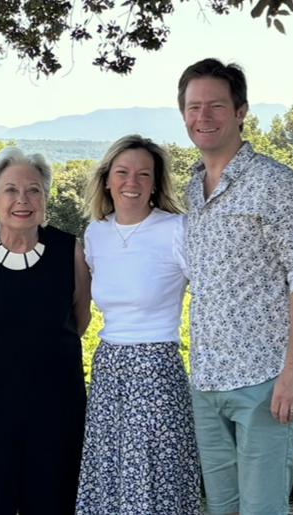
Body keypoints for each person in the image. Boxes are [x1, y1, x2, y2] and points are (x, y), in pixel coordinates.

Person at [178, 59, 293, 515]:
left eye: (216, 106)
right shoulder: (191, 190)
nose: (203, 117)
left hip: (266, 381)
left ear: (241, 111)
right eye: (193, 106)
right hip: (206, 382)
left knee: (262, 510)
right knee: (222, 510)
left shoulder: (277, 184)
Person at [0, 147, 91, 515]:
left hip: (57, 407)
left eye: (34, 190)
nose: (22, 200)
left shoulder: (69, 250)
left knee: (53, 501)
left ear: (45, 198)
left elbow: (79, 319)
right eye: (11, 190)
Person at [75, 135, 201, 515]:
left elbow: (211, 295)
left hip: (157, 368)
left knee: (154, 473)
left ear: (155, 183)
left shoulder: (177, 229)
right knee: (110, 472)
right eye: (123, 172)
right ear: (107, 179)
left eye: (143, 174)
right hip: (109, 365)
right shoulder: (96, 233)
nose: (132, 182)